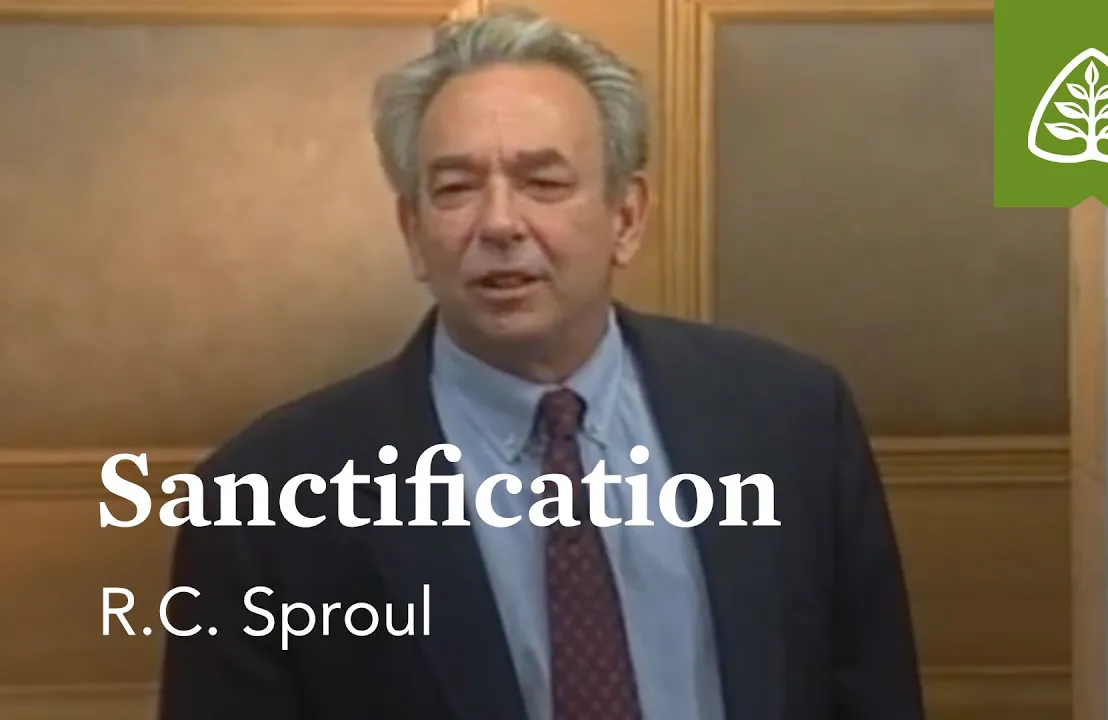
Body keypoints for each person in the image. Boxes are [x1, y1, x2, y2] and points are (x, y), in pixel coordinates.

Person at [157, 6, 924, 719]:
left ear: (627, 216)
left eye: (543, 183)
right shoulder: (265, 500)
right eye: (456, 188)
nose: (499, 223)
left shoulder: (791, 422)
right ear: (413, 231)